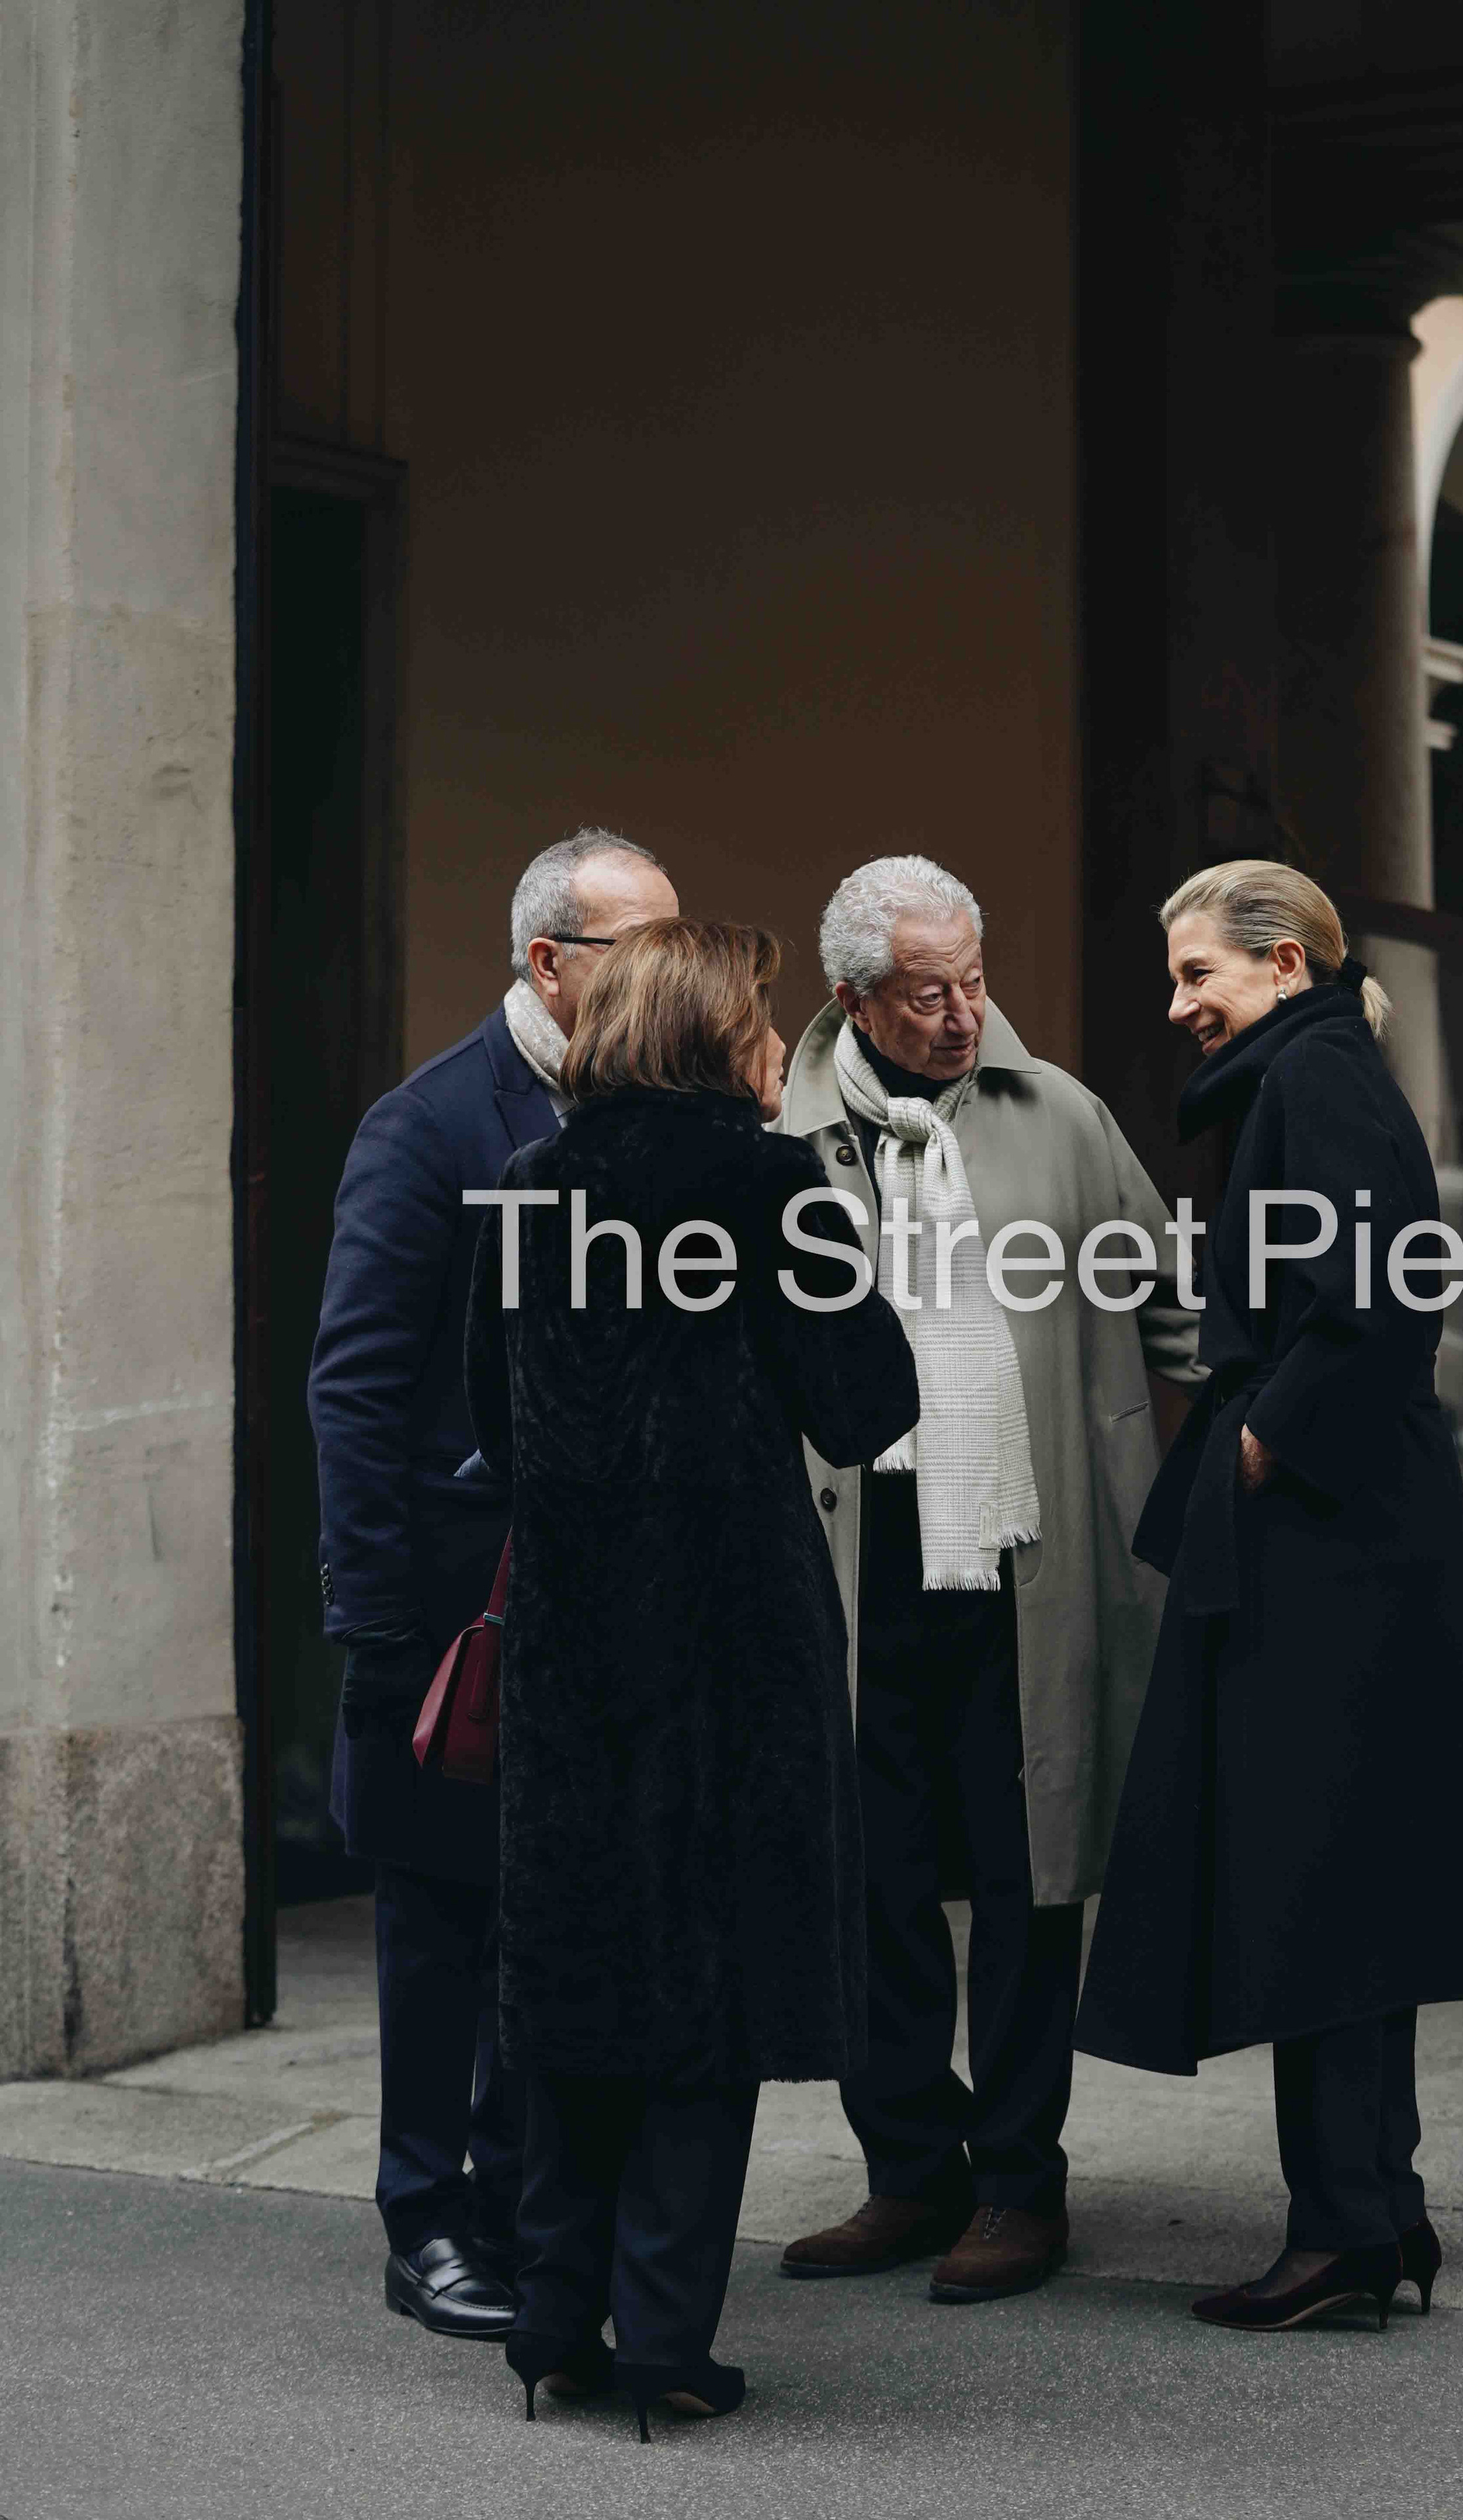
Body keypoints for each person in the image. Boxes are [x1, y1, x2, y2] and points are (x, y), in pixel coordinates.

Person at [463, 917, 918, 2437]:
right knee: (707, 1992)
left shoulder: (524, 1188)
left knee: (578, 1976)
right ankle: (664, 2342)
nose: (779, 1045)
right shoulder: (768, 1185)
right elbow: (864, 1406)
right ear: (716, 1037)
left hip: (571, 1644)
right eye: (762, 1020)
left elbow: (488, 1413)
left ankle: (552, 2324)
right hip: (734, 1647)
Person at [1075, 858, 1463, 2333]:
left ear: (1282, 966)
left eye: (1196, 973)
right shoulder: (1321, 1072)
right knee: (1345, 1879)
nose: (1177, 1005)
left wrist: (1260, 1448)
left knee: (1315, 1881)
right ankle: (1372, 2211)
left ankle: (1342, 2231)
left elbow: (1377, 1304)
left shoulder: (1314, 1080)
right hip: (1355, 1534)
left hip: (1325, 1542)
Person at [777, 855, 1203, 2305]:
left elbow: (1171, 1300)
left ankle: (1021, 2182)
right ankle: (910, 2170)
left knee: (1029, 1872)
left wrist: (1273, 1424)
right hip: (856, 1556)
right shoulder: (782, 1132)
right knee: (875, 1876)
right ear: (853, 1001)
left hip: (1025, 1550)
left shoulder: (1060, 1115)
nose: (963, 1015)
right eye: (926, 994)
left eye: (973, 980)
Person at [308, 827, 677, 2338]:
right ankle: (422, 2217)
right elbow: (355, 1388)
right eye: (641, 948)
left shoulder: (643, 1111)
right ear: (549, 962)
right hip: (454, 1608)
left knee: (559, 1915)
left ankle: (525, 2198)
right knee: (441, 1923)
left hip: (597, 1606)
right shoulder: (429, 1126)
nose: (669, 972)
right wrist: (380, 1620)